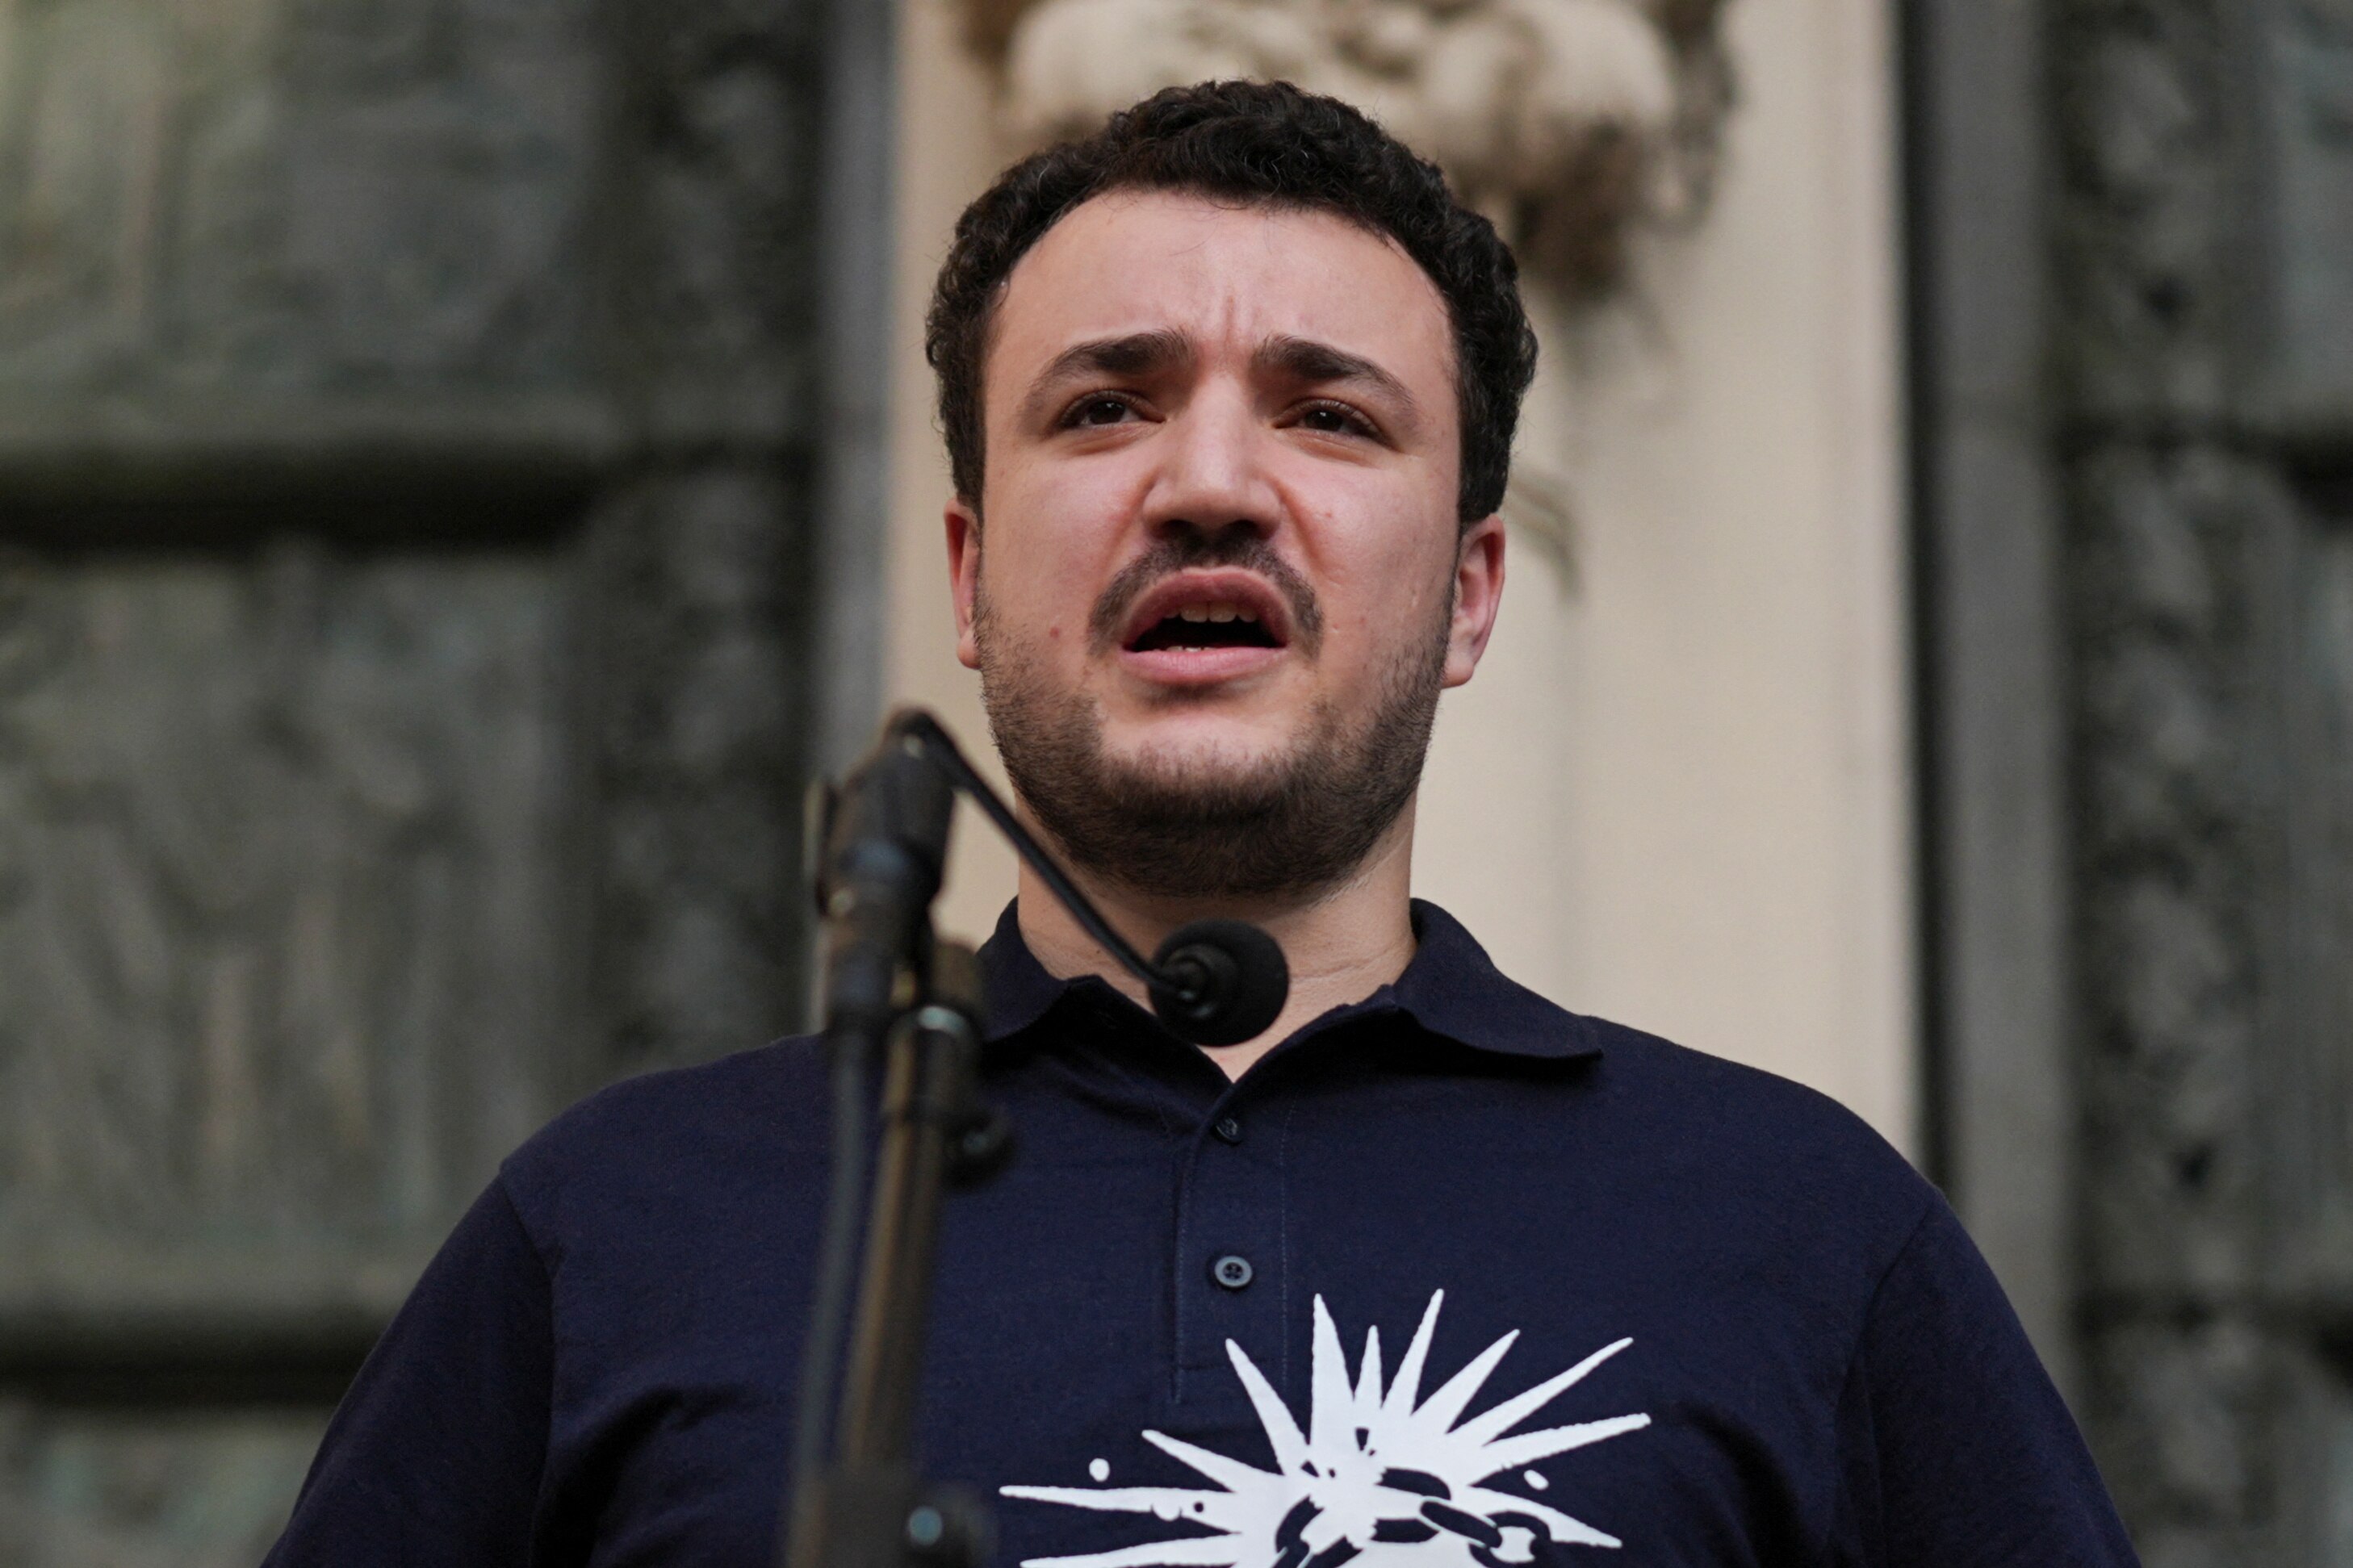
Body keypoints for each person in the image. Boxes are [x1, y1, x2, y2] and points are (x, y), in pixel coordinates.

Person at [266, 81, 2138, 1566]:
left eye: (1328, 415)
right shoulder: (614, 1232)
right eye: (1109, 407)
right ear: (974, 576)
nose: (1211, 483)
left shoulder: (1799, 1233)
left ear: (1475, 590)